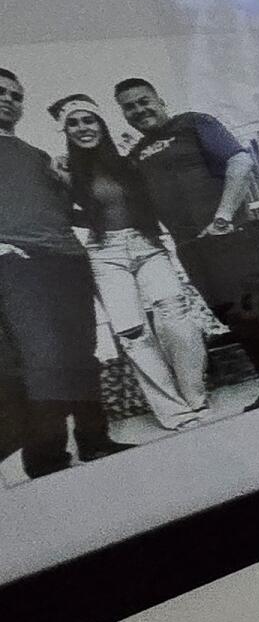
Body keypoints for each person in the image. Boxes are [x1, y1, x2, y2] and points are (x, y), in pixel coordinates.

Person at [114, 76, 259, 406]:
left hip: (230, 235)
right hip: (191, 248)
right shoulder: (136, 154)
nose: (138, 109)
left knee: (256, 312)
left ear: (160, 100)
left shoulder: (194, 123)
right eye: (129, 107)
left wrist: (222, 217)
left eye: (144, 100)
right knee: (232, 318)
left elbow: (240, 160)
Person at [54, 95, 209, 431]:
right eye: (74, 123)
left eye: (89, 120)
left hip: (145, 244)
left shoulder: (127, 161)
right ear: (66, 130)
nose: (83, 128)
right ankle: (174, 412)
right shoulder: (66, 170)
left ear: (101, 124)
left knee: (176, 317)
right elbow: (71, 217)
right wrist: (65, 184)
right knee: (133, 333)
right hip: (104, 253)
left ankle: (194, 397)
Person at [0, 65, 116, 475]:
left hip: (69, 258)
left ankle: (96, 442)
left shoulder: (36, 155)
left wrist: (69, 182)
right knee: (44, 360)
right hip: (20, 264)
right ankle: (47, 459)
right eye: (1, 92)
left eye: (16, 95)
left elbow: (68, 211)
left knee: (82, 352)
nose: (9, 99)